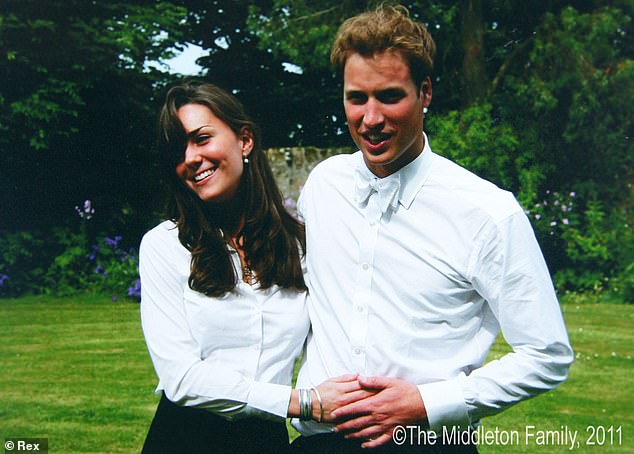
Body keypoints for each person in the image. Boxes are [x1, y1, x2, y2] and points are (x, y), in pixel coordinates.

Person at [292, 5, 574, 452]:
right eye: (356, 98)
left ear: (425, 92)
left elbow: (547, 356)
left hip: (426, 444)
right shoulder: (324, 186)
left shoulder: (486, 211)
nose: (370, 118)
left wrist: (426, 402)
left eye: (389, 96)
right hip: (317, 443)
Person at [139, 81, 367, 453]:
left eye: (201, 138)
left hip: (266, 443)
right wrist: (301, 402)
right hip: (184, 439)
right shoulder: (165, 246)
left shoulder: (300, 246)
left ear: (245, 140)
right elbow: (180, 379)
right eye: (178, 149)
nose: (191, 157)